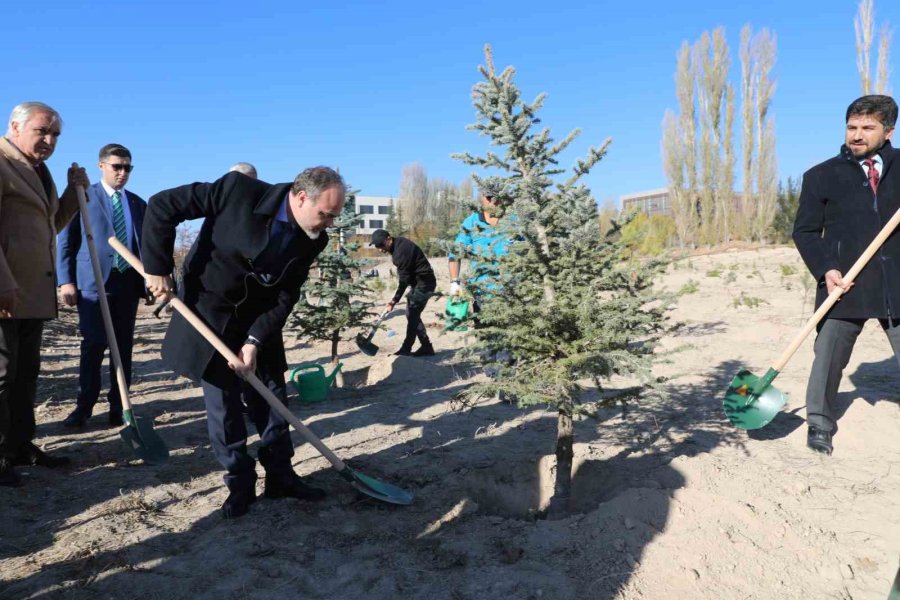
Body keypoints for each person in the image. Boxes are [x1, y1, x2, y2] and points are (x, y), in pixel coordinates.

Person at [142, 166, 345, 518]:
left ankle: (281, 477)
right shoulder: (237, 191)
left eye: (333, 217)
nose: (328, 224)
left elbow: (285, 294)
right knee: (225, 407)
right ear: (300, 198)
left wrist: (254, 341)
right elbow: (162, 205)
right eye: (325, 214)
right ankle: (240, 483)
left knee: (272, 399)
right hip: (210, 314)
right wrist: (157, 267)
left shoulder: (314, 239)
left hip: (258, 319)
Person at [793, 94, 900, 456]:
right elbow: (805, 231)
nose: (857, 135)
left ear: (888, 131)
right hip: (844, 284)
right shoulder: (821, 176)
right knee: (827, 357)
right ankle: (819, 423)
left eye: (867, 128)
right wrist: (826, 269)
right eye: (852, 127)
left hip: (897, 282)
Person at [0, 102, 89, 485]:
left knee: (25, 375)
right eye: (42, 131)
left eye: (55, 134)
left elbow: (48, 225)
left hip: (32, 293)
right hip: (6, 290)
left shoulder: (39, 171)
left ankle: (20, 445)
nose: (50, 141)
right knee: (1, 375)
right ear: (15, 126)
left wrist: (73, 193)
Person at [59, 144, 149, 428]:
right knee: (94, 346)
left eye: (127, 168)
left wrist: (150, 277)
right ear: (101, 166)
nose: (122, 173)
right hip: (93, 284)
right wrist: (66, 281)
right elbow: (66, 241)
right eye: (116, 167)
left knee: (123, 349)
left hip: (127, 285)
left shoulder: (137, 203)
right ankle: (84, 407)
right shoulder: (84, 197)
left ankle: (119, 406)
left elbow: (145, 244)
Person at [447, 181, 513, 321]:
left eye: (496, 198)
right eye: (489, 198)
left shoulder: (513, 220)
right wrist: (454, 283)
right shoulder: (471, 222)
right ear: (482, 197)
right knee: (485, 336)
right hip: (481, 291)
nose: (493, 202)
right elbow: (455, 252)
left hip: (512, 292)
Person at [370, 229, 436, 356]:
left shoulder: (401, 253)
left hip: (424, 284)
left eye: (381, 245)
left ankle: (407, 349)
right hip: (418, 283)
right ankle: (426, 346)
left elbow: (403, 282)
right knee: (412, 314)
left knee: (412, 313)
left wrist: (394, 301)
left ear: (389, 238)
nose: (379, 249)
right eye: (377, 246)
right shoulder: (398, 243)